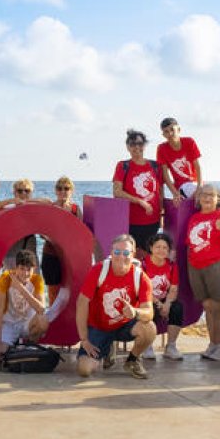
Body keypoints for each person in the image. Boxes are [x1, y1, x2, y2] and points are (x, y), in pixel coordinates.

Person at [75, 234, 156, 379]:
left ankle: (132, 360)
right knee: (84, 370)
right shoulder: (99, 270)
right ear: (111, 253)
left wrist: (135, 312)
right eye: (117, 252)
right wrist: (84, 339)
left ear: (133, 254)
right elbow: (82, 303)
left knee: (149, 328)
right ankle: (106, 350)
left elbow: (149, 312)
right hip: (99, 327)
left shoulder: (141, 277)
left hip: (125, 326)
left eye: (126, 253)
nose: (121, 257)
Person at [185, 184, 220, 362]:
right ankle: (212, 344)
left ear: (218, 199)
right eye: (204, 195)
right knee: (207, 306)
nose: (207, 198)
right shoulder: (194, 218)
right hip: (196, 266)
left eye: (211, 195)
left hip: (218, 265)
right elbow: (190, 243)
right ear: (198, 199)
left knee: (217, 305)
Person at [0, 250, 48, 363]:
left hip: (27, 322)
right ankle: (12, 344)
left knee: (43, 321)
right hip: (9, 323)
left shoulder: (37, 280)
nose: (25, 273)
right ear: (16, 267)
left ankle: (30, 344)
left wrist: (20, 288)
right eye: (22, 269)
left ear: (34, 269)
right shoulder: (6, 278)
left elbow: (41, 309)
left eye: (29, 269)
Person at [112, 129, 164, 250]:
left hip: (153, 220)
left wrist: (162, 214)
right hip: (131, 221)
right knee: (132, 255)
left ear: (144, 145)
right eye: (132, 144)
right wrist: (140, 202)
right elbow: (117, 192)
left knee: (149, 255)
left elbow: (160, 192)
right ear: (127, 147)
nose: (136, 147)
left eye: (140, 144)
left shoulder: (155, 166)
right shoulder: (123, 166)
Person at [142, 233, 183, 360]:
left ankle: (171, 347)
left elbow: (174, 288)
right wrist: (159, 305)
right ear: (151, 248)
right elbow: (142, 290)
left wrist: (168, 304)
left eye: (165, 248)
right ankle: (147, 346)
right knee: (151, 309)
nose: (161, 250)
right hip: (146, 298)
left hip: (165, 299)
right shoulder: (143, 265)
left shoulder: (172, 266)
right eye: (158, 247)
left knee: (177, 308)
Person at [157, 117, 202, 201]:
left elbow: (197, 167)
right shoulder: (162, 148)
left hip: (195, 184)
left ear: (179, 130)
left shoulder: (189, 142)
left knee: (212, 193)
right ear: (163, 135)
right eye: (166, 131)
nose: (170, 133)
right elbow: (165, 175)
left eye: (172, 130)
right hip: (181, 186)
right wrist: (175, 193)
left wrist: (199, 187)